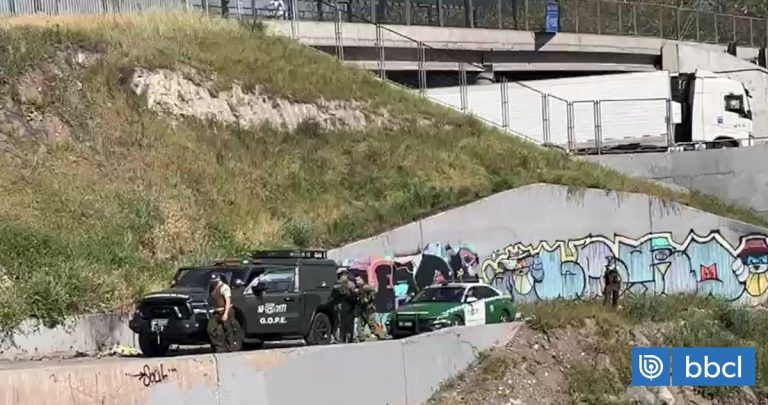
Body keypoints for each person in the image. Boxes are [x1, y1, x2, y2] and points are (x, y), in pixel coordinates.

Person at [207, 273, 237, 352]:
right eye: (212, 281)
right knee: (210, 329)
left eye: (215, 281)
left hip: (226, 310)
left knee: (228, 329)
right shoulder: (212, 288)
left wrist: (225, 313)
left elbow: (228, 300)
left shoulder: (224, 287)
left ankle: (231, 346)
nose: (213, 282)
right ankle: (219, 346)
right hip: (216, 311)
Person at [354, 275, 387, 341]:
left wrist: (368, 298)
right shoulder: (360, 288)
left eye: (358, 280)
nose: (356, 282)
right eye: (356, 280)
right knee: (360, 325)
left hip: (369, 309)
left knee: (372, 324)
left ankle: (381, 335)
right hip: (363, 310)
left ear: (362, 280)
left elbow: (373, 291)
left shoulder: (366, 287)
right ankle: (361, 337)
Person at [331, 268, 356, 343]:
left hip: (343, 304)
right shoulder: (351, 284)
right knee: (349, 322)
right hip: (350, 305)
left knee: (342, 322)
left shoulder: (339, 284)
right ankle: (349, 337)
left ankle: (342, 337)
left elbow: (335, 294)